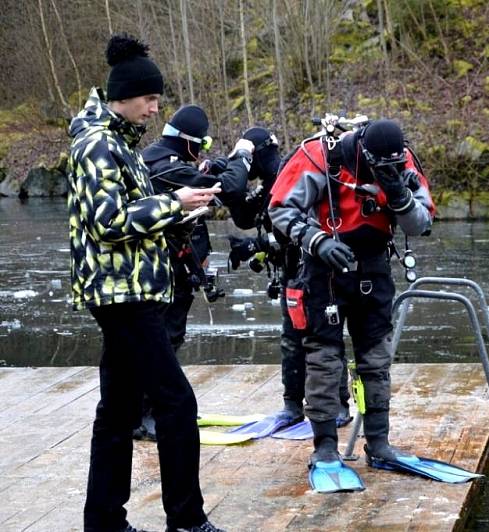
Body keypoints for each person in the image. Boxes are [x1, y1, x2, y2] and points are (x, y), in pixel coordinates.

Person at [66, 33, 225, 532]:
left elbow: (136, 216)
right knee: (177, 402)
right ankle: (187, 521)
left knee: (117, 412)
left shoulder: (120, 143)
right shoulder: (97, 145)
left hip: (132, 289)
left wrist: (188, 207)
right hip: (121, 294)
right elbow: (108, 223)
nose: (157, 109)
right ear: (125, 95)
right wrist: (175, 204)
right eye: (150, 99)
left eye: (158, 99)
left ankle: (104, 522)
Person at [268, 118, 436, 490]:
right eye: (379, 166)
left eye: (393, 165)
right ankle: (325, 446)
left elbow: (420, 224)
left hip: (374, 268)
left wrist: (399, 193)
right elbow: (279, 208)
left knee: (376, 360)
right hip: (324, 268)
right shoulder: (318, 155)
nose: (386, 170)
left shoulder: (403, 161)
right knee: (324, 359)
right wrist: (316, 240)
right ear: (362, 153)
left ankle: (379, 443)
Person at [128, 107, 254, 442]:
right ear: (187, 141)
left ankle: (156, 408)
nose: (202, 150)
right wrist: (242, 154)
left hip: (166, 264)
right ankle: (147, 415)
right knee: (163, 340)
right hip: (165, 266)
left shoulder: (157, 159)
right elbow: (231, 188)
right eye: (203, 143)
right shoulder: (167, 167)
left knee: (163, 338)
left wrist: (209, 167)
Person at [226, 127, 352, 438]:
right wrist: (233, 173)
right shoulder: (271, 180)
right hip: (291, 273)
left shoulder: (292, 172)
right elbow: (245, 217)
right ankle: (292, 405)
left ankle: (339, 405)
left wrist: (257, 246)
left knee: (324, 338)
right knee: (291, 341)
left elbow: (300, 226)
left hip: (317, 272)